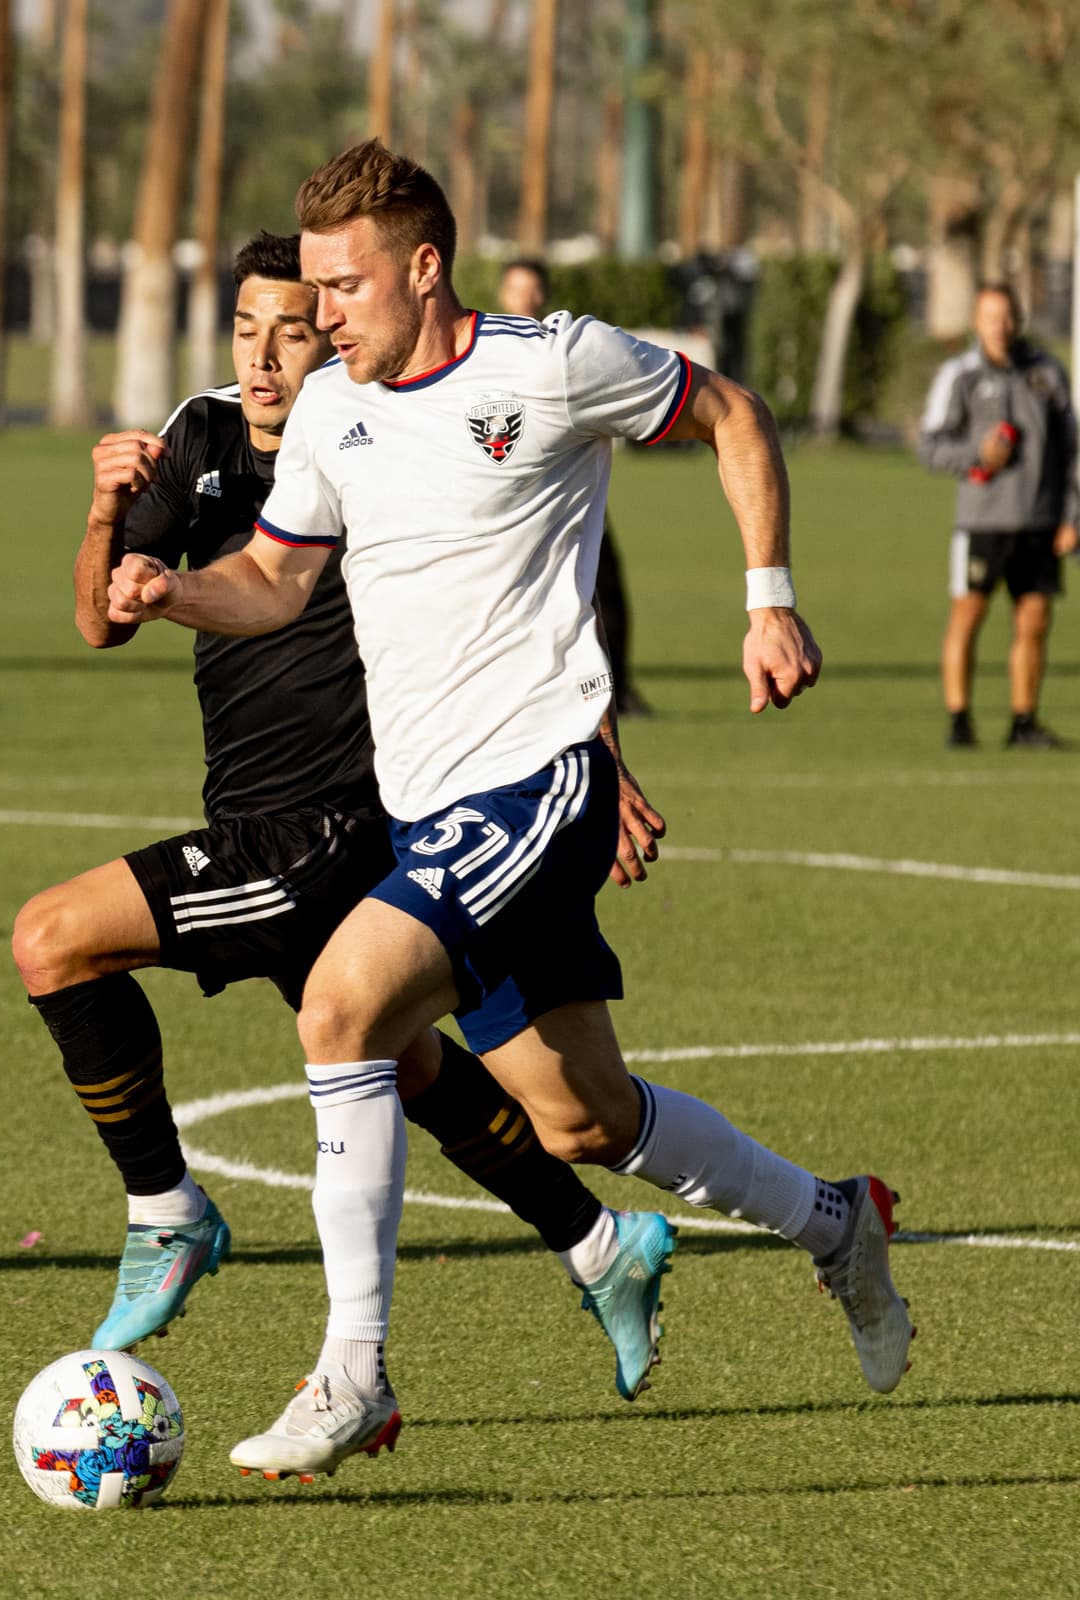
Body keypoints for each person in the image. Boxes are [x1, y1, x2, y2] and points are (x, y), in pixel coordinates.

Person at [108, 143, 915, 1484]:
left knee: (340, 1009)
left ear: (424, 270)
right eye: (311, 293)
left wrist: (768, 595)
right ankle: (838, 1223)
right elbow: (270, 579)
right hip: (433, 812)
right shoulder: (329, 414)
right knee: (584, 1120)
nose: (324, 321)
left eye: (347, 289)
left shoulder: (549, 364)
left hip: (540, 779)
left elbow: (731, 414)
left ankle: (352, 1375)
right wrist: (168, 590)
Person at [12, 230, 669, 1389]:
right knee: (418, 1067)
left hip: (326, 829)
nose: (265, 360)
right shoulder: (200, 432)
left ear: (336, 330)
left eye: (295, 332)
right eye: (247, 332)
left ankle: (170, 1214)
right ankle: (596, 1240)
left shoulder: (378, 435)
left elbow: (515, 604)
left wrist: (596, 748)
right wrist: (104, 516)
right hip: (261, 810)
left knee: (51, 939)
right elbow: (94, 623)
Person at [917, 282, 1079, 749]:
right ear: (976, 321)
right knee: (968, 615)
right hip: (983, 522)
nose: (1000, 327)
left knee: (1034, 619)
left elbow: (1072, 448)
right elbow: (929, 446)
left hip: (1041, 519)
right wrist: (977, 454)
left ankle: (1024, 721)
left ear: (1019, 319)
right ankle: (959, 720)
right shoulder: (960, 374)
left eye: (1007, 317)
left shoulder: (1047, 373)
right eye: (991, 318)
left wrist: (1072, 515)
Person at [498, 257, 650, 717]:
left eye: (534, 290)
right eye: (517, 290)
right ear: (503, 294)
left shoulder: (565, 355)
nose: (526, 299)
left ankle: (618, 689)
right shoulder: (489, 353)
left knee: (607, 586)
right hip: (512, 500)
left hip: (574, 494)